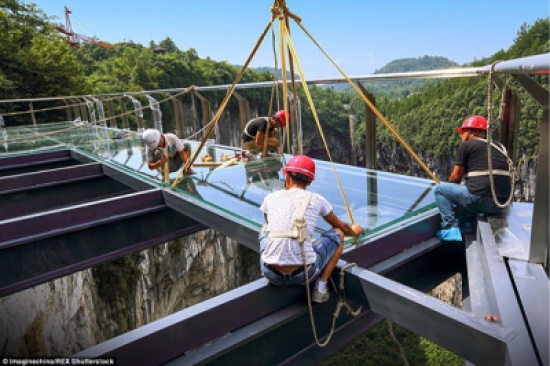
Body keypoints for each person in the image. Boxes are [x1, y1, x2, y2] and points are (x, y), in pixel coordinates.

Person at [259, 155, 365, 303]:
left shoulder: (270, 198)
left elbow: (271, 225)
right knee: (338, 234)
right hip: (304, 274)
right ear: (309, 181)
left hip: (271, 274)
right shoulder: (317, 200)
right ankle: (320, 288)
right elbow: (341, 226)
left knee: (265, 229)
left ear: (287, 177)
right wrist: (354, 231)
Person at [434, 115, 512, 241]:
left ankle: (449, 229)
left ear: (475, 132)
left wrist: (454, 186)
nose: (461, 136)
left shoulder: (467, 146)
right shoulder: (500, 147)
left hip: (481, 201)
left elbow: (455, 176)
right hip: (502, 204)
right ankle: (467, 224)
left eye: (463, 132)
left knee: (441, 190)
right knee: (470, 189)